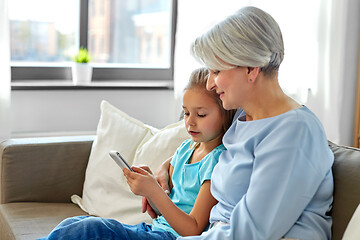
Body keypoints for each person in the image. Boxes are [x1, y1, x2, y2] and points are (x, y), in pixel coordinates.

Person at [147, 6, 334, 240]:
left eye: (216, 71)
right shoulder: (242, 117)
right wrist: (166, 168)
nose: (210, 84)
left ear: (250, 69)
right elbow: (205, 146)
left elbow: (251, 232)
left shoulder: (294, 132)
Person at [38, 68, 236, 240]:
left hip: (170, 237)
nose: (190, 122)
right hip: (151, 229)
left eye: (200, 114)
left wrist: (153, 192)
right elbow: (168, 205)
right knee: (76, 223)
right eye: (186, 113)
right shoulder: (186, 149)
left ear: (226, 112)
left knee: (91, 229)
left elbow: (192, 229)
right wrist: (151, 185)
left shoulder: (218, 163)